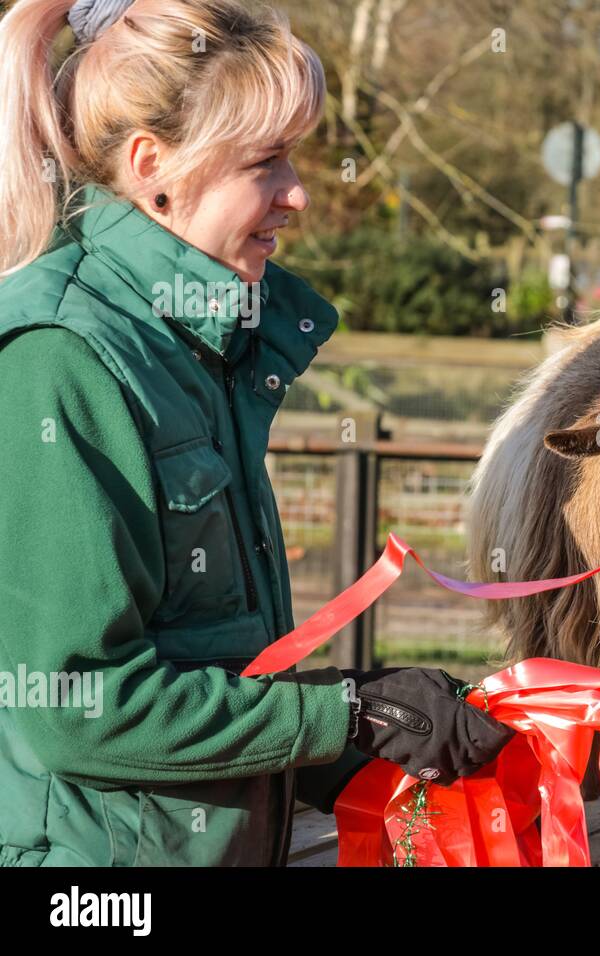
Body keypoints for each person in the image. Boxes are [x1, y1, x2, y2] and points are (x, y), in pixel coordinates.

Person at [0, 0, 512, 867]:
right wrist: (338, 714)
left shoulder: (198, 348)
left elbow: (206, 658)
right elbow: (78, 708)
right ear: (153, 166)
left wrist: (365, 740)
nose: (298, 193)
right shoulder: (62, 358)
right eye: (266, 162)